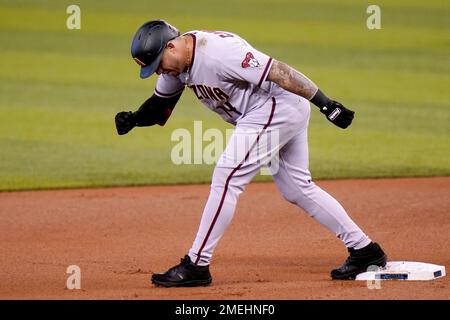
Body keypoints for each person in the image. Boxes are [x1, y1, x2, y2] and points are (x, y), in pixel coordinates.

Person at [115, 20, 387, 287]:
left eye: (157, 65)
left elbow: (279, 71)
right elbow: (160, 106)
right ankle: (365, 251)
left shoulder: (218, 53)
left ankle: (196, 264)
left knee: (227, 177)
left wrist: (326, 104)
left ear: (171, 47)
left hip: (275, 106)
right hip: (270, 113)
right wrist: (134, 118)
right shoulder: (177, 66)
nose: (158, 72)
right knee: (297, 189)